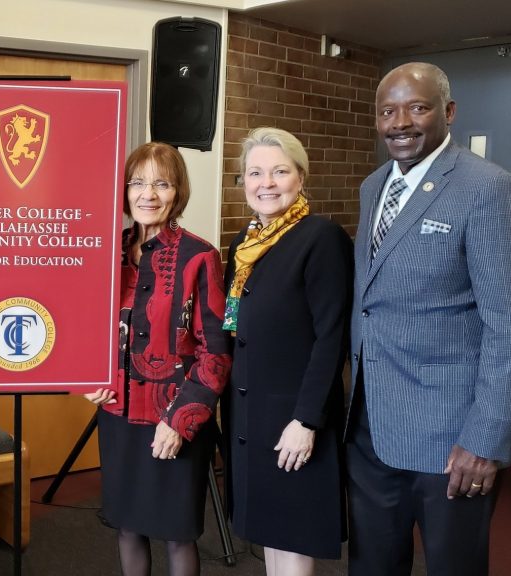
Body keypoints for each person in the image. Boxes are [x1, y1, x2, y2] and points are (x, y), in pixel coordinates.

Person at [347, 62, 511, 576]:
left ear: (448, 111)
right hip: (373, 425)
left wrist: (484, 440)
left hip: (452, 438)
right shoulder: (374, 187)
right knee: (372, 564)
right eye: (387, 111)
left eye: (417, 107)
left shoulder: (489, 190)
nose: (400, 122)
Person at [84, 142, 231, 576]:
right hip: (118, 416)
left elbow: (216, 354)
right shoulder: (103, 252)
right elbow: (84, 327)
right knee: (127, 527)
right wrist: (88, 376)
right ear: (125, 190)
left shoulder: (200, 256)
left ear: (177, 191)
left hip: (175, 418)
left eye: (161, 183)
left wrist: (180, 420)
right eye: (138, 182)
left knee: (178, 534)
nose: (148, 193)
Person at [222, 127, 352, 575]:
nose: (267, 183)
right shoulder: (245, 243)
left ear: (301, 177)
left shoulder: (321, 239)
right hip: (249, 411)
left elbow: (331, 338)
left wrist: (307, 420)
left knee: (293, 537)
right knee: (270, 534)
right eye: (255, 173)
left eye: (280, 172)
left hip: (293, 417)